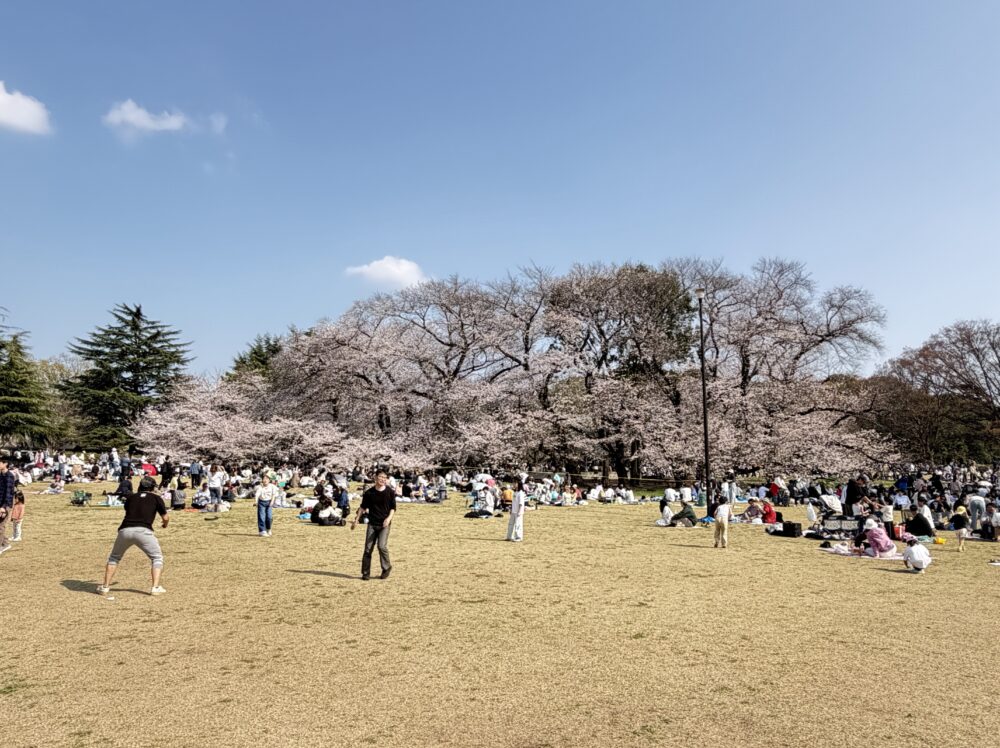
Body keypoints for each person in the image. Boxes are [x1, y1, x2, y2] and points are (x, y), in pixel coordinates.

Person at [97, 476, 169, 596]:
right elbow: (165, 517)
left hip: (125, 530)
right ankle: (155, 587)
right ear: (152, 487)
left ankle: (105, 586)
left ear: (140, 486)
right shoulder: (156, 498)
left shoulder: (131, 498)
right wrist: (165, 525)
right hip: (144, 531)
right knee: (157, 558)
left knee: (114, 558)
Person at [351, 469, 396, 580]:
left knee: (382, 546)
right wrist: (356, 520)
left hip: (384, 524)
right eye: (380, 477)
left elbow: (393, 508)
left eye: (385, 478)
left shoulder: (389, 492)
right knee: (368, 549)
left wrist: (388, 519)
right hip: (372, 523)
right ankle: (365, 573)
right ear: (375, 478)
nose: (382, 479)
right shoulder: (369, 493)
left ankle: (386, 567)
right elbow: (362, 507)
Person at [0, 459, 16, 555]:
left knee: (1, 526)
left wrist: (4, 507)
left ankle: (1, 546)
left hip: (5, 505)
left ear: (5, 464)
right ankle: (5, 543)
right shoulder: (1, 475)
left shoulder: (9, 476)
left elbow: (9, 493)